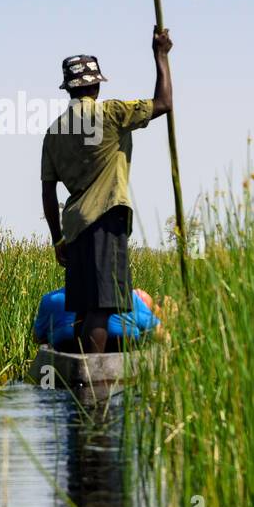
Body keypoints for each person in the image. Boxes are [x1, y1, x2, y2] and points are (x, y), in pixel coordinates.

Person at [40, 27, 173, 353]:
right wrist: (162, 56)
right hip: (104, 221)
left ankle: (79, 374)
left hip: (74, 228)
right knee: (102, 309)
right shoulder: (111, 113)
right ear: (96, 85)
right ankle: (92, 383)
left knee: (85, 308)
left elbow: (47, 191)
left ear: (69, 89)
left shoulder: (54, 131)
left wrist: (57, 238)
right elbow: (164, 103)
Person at [33, 287, 162, 352]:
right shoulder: (131, 298)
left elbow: (38, 338)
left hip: (67, 367)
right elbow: (161, 335)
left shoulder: (50, 301)